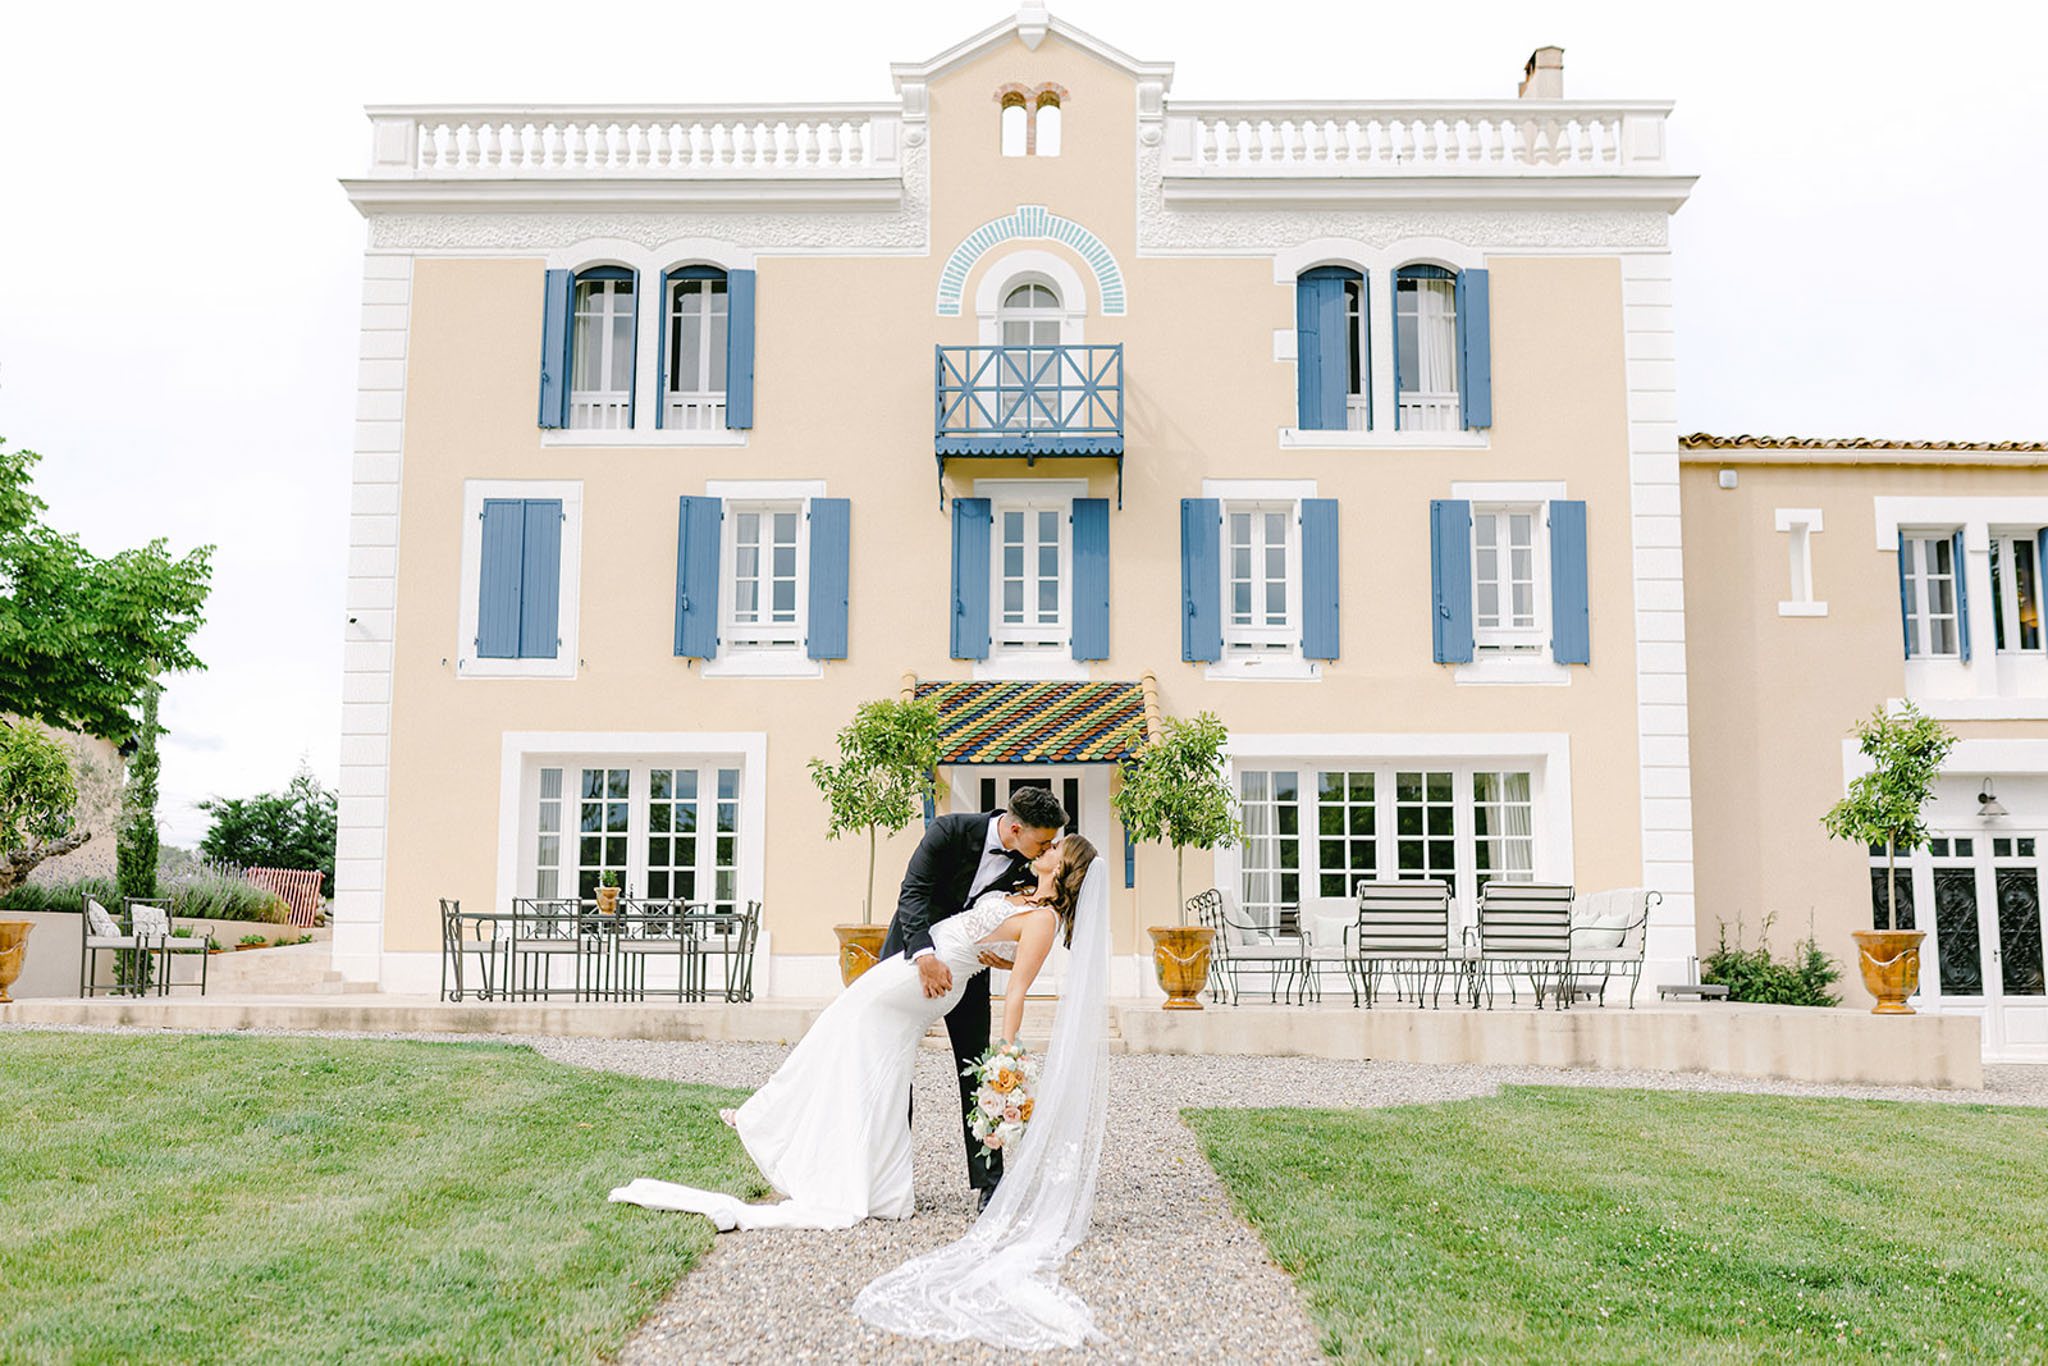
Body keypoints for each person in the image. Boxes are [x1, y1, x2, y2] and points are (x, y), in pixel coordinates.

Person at [608, 830, 1097, 1232]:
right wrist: (980, 944)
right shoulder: (1018, 887)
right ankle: (880, 1183)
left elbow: (1016, 991)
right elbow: (963, 917)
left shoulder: (1044, 920)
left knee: (841, 1025)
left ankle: (766, 1114)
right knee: (878, 1063)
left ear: (1062, 865)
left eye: (1055, 847)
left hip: (930, 979)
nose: (1046, 847)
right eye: (1046, 840)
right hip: (920, 964)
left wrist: (1004, 1053)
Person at [882, 785, 1068, 1210]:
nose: (1047, 849)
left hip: (968, 971)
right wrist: (924, 955)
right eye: (1043, 841)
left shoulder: (1028, 863)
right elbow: (912, 893)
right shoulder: (948, 831)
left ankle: (990, 1183)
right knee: (893, 1065)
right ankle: (890, 1177)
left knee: (975, 1069)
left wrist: (1005, 959)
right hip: (909, 957)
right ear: (1016, 828)